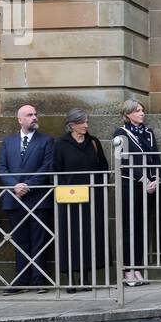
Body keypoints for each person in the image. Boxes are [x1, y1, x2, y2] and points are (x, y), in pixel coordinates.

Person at [0, 103, 54, 292]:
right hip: (14, 199)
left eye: (35, 114)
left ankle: (39, 280)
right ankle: (21, 281)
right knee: (20, 241)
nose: (34, 117)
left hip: (37, 198)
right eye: (29, 115)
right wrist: (15, 185)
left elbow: (46, 167)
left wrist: (27, 185)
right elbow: (2, 169)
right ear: (20, 119)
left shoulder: (46, 141)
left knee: (39, 241)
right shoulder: (8, 141)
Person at [52, 109, 108, 293]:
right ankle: (70, 278)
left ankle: (86, 276)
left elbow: (103, 168)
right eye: (82, 122)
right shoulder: (60, 144)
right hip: (69, 199)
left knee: (89, 236)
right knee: (70, 237)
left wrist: (97, 189)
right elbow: (56, 171)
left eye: (87, 122)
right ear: (72, 124)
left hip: (91, 199)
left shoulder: (93, 142)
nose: (86, 125)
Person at [114, 99, 160, 287]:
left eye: (142, 110)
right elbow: (121, 161)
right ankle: (128, 270)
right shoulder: (120, 133)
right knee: (128, 228)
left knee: (141, 228)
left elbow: (155, 157)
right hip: (129, 186)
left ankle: (139, 268)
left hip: (148, 187)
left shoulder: (148, 133)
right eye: (138, 111)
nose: (142, 113)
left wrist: (157, 179)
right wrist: (142, 179)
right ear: (128, 114)